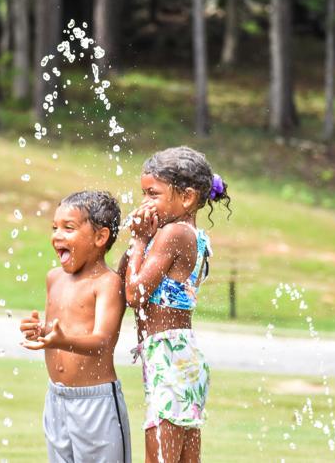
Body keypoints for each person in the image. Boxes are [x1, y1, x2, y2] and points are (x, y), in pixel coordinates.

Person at [119, 146, 231, 463]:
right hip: (181, 357)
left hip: (169, 359)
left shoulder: (174, 233)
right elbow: (126, 277)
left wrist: (140, 241)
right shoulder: (191, 234)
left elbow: (134, 295)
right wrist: (138, 242)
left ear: (187, 198)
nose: (145, 203)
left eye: (153, 194)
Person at [20, 190, 132, 463]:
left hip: (96, 403)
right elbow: (61, 329)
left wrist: (59, 340)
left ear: (100, 237)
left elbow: (102, 342)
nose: (57, 235)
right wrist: (43, 332)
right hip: (56, 399)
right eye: (55, 228)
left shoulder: (107, 283)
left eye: (68, 228)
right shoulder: (54, 278)